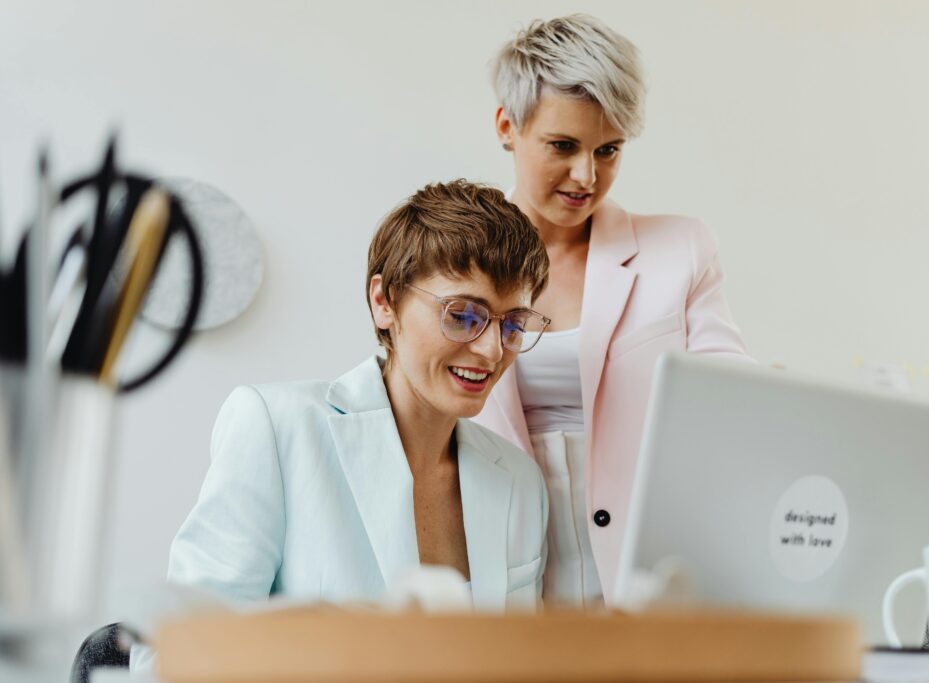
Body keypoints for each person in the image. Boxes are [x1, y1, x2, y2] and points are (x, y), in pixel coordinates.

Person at [132, 180, 553, 669]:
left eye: (513, 325)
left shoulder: (520, 482)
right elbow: (174, 658)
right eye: (462, 315)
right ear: (385, 300)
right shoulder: (277, 428)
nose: (491, 350)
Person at [475, 15, 751, 609]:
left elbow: (733, 399)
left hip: (649, 577)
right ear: (507, 126)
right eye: (563, 146)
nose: (587, 176)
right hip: (505, 577)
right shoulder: (455, 264)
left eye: (609, 150)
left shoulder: (681, 250)